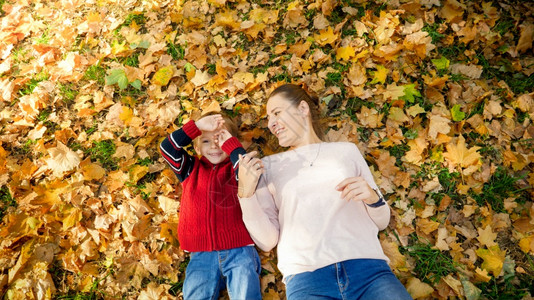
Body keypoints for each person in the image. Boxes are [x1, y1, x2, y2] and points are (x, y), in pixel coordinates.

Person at [237, 84, 412, 300]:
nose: (271, 124)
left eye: (276, 113)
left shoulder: (346, 151)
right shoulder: (269, 166)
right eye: (268, 118)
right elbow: (267, 241)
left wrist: (372, 197)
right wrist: (245, 193)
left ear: (302, 108)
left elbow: (382, 221)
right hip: (307, 280)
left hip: (368, 271)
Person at [159, 113, 261, 300]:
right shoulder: (190, 168)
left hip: (239, 250)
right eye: (206, 141)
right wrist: (196, 126)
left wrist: (232, 147)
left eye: (220, 139)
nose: (214, 146)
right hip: (200, 255)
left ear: (231, 144)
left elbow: (246, 168)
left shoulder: (236, 169)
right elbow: (166, 148)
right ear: (197, 147)